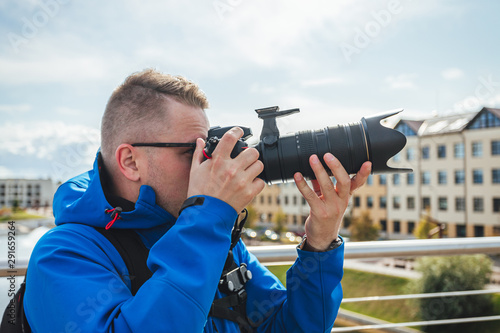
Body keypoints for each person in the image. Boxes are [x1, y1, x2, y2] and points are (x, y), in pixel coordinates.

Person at [24, 69, 371, 332]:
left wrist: (321, 240)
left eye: (208, 149)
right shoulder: (64, 254)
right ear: (131, 162)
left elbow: (288, 326)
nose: (208, 164)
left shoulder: (210, 232)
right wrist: (207, 219)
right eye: (191, 151)